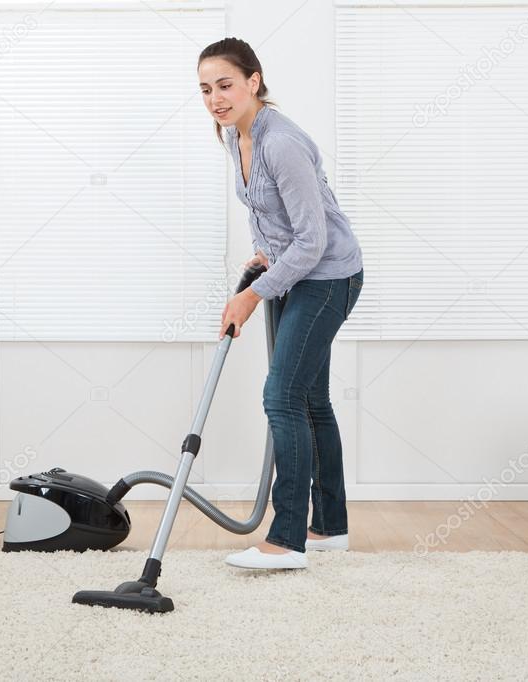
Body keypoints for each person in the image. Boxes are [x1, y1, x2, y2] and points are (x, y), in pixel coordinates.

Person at [197, 37, 364, 570]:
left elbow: (313, 241)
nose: (216, 98)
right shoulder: (233, 136)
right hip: (291, 272)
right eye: (205, 89)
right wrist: (264, 254)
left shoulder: (282, 142)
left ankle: (287, 539)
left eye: (225, 84)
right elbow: (261, 208)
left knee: (281, 397)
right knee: (310, 400)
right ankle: (329, 527)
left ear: (253, 80)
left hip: (329, 277)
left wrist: (250, 296)